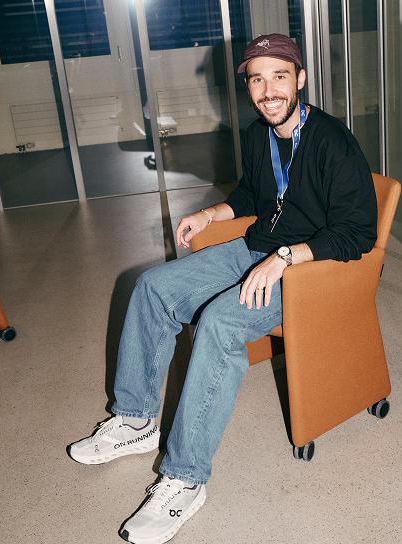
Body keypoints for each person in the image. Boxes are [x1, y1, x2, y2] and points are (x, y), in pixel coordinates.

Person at [68, 33, 377, 544]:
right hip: (257, 249)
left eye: (280, 76)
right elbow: (253, 193)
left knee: (220, 322)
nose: (268, 89)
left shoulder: (332, 141)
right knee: (152, 287)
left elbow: (358, 234)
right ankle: (135, 418)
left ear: (300, 79)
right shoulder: (260, 134)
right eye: (257, 79)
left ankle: (185, 478)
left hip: (310, 270)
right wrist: (210, 214)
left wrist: (283, 258)